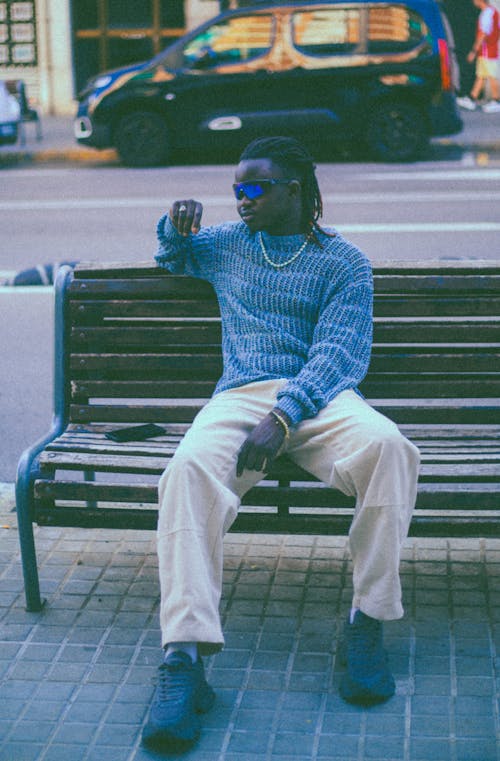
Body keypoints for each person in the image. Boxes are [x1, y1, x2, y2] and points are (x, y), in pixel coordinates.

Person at [142, 136, 421, 752]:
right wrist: (175, 223)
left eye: (255, 188)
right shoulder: (228, 246)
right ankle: (184, 659)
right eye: (235, 189)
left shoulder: (343, 262)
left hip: (319, 400)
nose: (240, 200)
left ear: (294, 191)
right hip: (240, 396)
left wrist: (286, 416)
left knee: (392, 451)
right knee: (186, 469)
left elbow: (339, 353)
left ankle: (366, 623)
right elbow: (173, 256)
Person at [457, 0, 500, 113]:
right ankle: (472, 98)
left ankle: (497, 101)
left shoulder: (486, 13)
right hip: (489, 50)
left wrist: (473, 51)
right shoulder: (493, 12)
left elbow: (482, 34)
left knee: (491, 76)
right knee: (481, 76)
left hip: (487, 51)